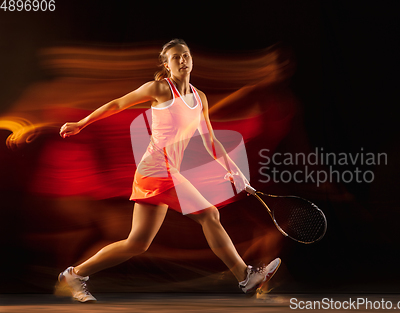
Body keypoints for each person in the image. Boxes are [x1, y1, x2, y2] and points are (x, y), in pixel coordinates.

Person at [57, 38, 280, 303]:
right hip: (155, 169)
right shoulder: (160, 89)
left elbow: (210, 140)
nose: (183, 60)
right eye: (176, 57)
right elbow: (117, 104)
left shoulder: (200, 98)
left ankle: (75, 274)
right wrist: (82, 123)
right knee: (210, 214)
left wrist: (234, 171)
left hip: (165, 172)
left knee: (136, 244)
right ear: (167, 64)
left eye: (186, 55)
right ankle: (245, 276)